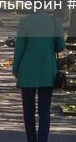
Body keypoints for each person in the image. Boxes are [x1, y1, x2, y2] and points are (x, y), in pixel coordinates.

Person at [13, 10, 66, 142]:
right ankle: (43, 139)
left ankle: (31, 139)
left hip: (27, 70)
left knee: (28, 110)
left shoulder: (25, 22)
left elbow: (20, 48)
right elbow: (60, 47)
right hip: (47, 70)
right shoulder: (55, 22)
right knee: (44, 110)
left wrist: (16, 69)